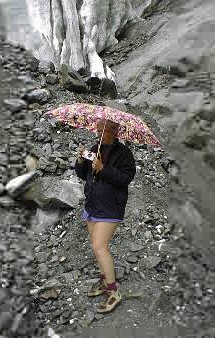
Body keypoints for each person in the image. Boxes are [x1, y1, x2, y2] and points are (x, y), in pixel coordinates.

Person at [74, 119, 136, 313]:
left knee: (99, 246)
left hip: (110, 207)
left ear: (114, 131)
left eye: (102, 130)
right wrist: (80, 161)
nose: (98, 133)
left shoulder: (124, 154)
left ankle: (113, 291)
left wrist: (103, 168)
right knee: (97, 247)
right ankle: (103, 280)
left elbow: (126, 178)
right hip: (92, 204)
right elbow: (84, 175)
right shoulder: (95, 147)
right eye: (98, 130)